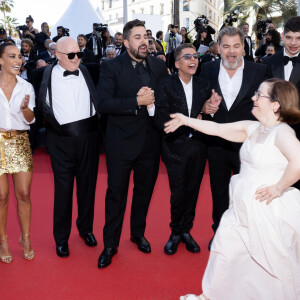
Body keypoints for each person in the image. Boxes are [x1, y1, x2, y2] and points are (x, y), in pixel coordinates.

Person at [167, 78, 300, 300]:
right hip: (241, 209)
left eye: (260, 95)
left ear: (276, 104)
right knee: (226, 252)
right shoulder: (253, 128)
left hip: (268, 212)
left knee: (272, 267)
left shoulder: (282, 132)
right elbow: (216, 128)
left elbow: (298, 162)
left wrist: (278, 188)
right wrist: (185, 120)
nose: (253, 98)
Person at [97, 19, 168, 268]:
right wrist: (135, 102)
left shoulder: (158, 67)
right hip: (121, 144)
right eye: (137, 37)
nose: (144, 41)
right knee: (116, 195)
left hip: (150, 143)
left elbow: (167, 100)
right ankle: (110, 245)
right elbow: (103, 103)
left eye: (145, 37)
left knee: (144, 193)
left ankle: (137, 233)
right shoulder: (111, 67)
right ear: (125, 42)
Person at [200, 26, 267, 250]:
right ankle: (219, 232)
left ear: (243, 48)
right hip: (216, 143)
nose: (231, 52)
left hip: (247, 144)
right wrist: (206, 107)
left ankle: (247, 235)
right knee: (218, 191)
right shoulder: (207, 69)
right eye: (226, 46)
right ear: (218, 48)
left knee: (247, 192)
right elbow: (199, 103)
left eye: (236, 46)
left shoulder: (259, 71)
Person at [37, 37, 100, 258]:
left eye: (79, 54)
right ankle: (61, 239)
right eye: (71, 55)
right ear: (57, 54)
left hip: (89, 139)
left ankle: (86, 229)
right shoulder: (43, 75)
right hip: (60, 141)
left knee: (87, 188)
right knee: (63, 191)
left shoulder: (89, 71)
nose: (77, 59)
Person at [154, 43, 220, 255]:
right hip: (174, 146)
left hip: (198, 147)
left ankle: (186, 231)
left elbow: (205, 113)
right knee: (178, 193)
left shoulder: (203, 84)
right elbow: (161, 117)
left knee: (192, 191)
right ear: (177, 63)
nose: (193, 60)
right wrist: (190, 121)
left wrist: (208, 110)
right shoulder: (165, 83)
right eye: (187, 57)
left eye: (195, 56)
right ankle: (175, 231)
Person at [0, 43, 35, 263]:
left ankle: (25, 237)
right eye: (12, 56)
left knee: (23, 193)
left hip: (21, 141)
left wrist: (24, 109)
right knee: (1, 197)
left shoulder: (26, 86)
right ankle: (2, 240)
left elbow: (31, 119)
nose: (18, 60)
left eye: (20, 57)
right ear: (1, 60)